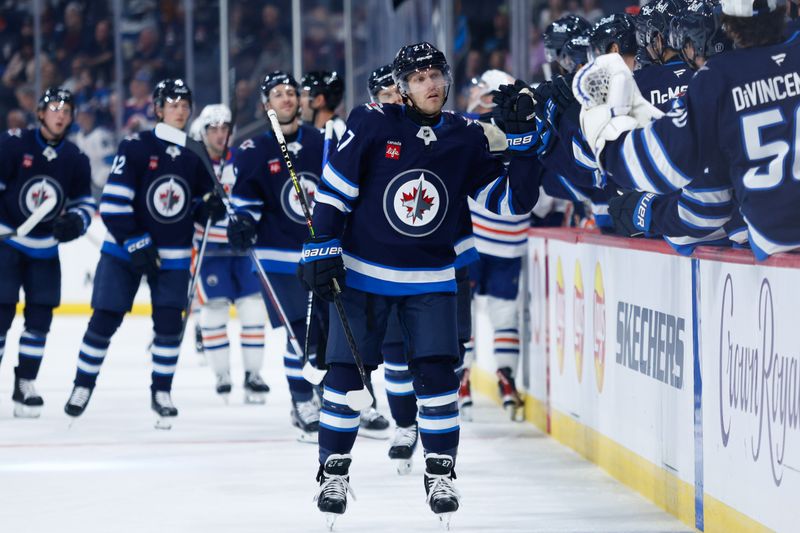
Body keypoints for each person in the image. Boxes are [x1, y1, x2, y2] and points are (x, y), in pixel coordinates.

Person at [300, 42, 543, 525]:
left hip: (432, 278)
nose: (431, 84)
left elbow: (512, 203)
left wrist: (524, 146)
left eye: (436, 75)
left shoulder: (467, 135)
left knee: (436, 379)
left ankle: (440, 472)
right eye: (418, 78)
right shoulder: (372, 122)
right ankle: (333, 471)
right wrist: (321, 245)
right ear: (404, 87)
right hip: (365, 276)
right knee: (346, 378)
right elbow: (334, 191)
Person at [574, 0, 799, 260]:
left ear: (725, 24)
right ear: (784, 9)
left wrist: (604, 131)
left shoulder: (717, 79)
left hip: (779, 246)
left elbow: (684, 190)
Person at [63, 79, 225, 426]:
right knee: (104, 319)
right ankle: (82, 385)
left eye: (185, 104)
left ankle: (161, 391)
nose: (180, 110)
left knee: (169, 326)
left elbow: (198, 205)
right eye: (173, 104)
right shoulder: (136, 146)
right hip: (124, 251)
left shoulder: (195, 153)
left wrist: (210, 208)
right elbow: (113, 203)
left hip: (174, 255)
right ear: (158, 109)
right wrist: (136, 242)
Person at [225, 71, 325, 441]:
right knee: (299, 332)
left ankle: (320, 390)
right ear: (265, 104)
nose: (286, 99)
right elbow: (245, 203)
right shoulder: (254, 150)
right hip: (276, 257)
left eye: (291, 93)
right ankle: (302, 401)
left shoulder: (321, 142)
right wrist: (242, 224)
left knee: (323, 331)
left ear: (301, 101)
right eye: (277, 94)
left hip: (318, 253)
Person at [0, 87, 94, 417]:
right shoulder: (13, 144)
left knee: (39, 321)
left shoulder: (75, 158)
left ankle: (25, 383)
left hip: (45, 251)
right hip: (7, 245)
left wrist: (76, 222)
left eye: (66, 111)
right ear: (40, 113)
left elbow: (85, 203)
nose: (60, 115)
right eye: (54, 108)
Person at [187, 104, 271, 403]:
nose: (221, 134)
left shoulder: (243, 160)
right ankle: (221, 374)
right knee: (213, 312)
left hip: (243, 249)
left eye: (225, 129)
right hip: (209, 251)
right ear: (202, 132)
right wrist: (200, 208)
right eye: (214, 129)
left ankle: (253, 375)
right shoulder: (193, 164)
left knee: (253, 310)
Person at [300, 70, 346, 140]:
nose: (299, 102)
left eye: (304, 95)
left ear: (319, 100)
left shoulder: (339, 131)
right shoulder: (309, 131)